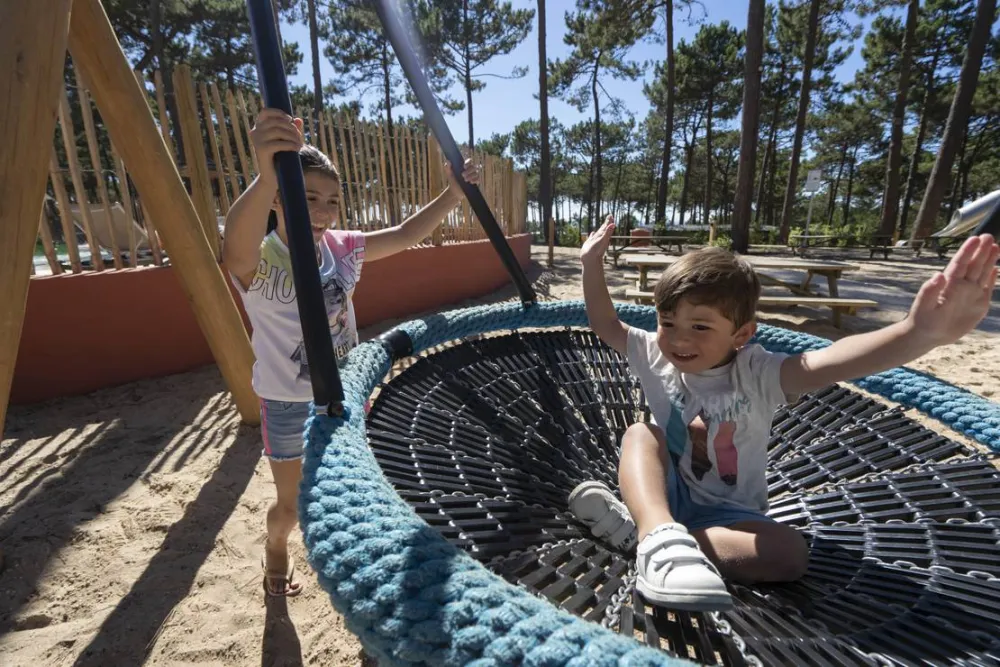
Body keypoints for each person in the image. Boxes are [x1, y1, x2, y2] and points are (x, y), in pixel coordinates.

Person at [571, 215, 998, 612]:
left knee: (790, 556)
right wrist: (591, 263)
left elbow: (830, 361)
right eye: (667, 322)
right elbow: (606, 323)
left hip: (731, 517)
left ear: (741, 334)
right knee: (641, 434)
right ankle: (656, 531)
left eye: (700, 326)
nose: (679, 339)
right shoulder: (655, 355)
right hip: (667, 494)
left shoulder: (756, 372)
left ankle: (640, 538)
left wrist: (916, 333)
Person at [222, 108, 478, 597]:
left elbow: (404, 235)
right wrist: (264, 173)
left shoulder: (342, 249)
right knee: (293, 506)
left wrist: (453, 194)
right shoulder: (262, 257)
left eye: (333, 200)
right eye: (309, 196)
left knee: (358, 486)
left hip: (344, 393)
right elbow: (232, 248)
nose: (322, 210)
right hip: (286, 400)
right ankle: (276, 546)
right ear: (280, 198)